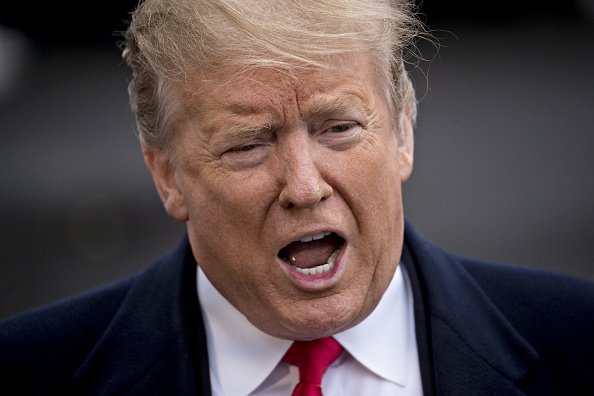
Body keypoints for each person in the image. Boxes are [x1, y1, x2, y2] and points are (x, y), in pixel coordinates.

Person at [1, 0, 593, 394]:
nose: (305, 187)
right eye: (247, 146)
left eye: (338, 128)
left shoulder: (576, 343)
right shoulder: (30, 370)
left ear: (404, 132)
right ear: (168, 176)